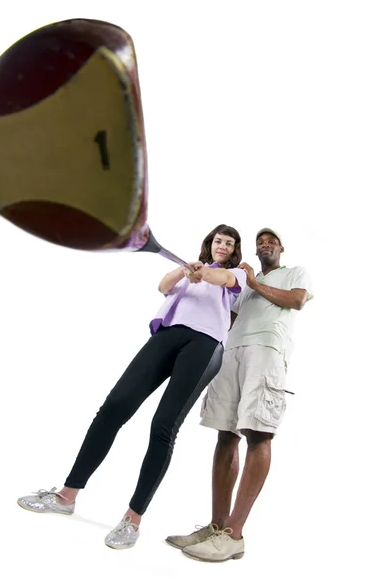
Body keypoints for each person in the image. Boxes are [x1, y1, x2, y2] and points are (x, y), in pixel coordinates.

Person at [17, 224, 247, 550]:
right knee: (114, 406)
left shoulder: (237, 274)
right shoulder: (189, 270)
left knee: (163, 425)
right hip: (169, 335)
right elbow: (163, 285)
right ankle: (67, 495)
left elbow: (224, 279)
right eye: (218, 241)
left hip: (205, 344)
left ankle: (132, 519)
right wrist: (187, 271)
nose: (222, 246)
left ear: (234, 250)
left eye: (229, 243)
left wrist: (206, 275)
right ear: (209, 245)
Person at [166, 227, 313, 562]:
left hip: (267, 350)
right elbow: (226, 317)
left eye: (271, 241)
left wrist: (254, 281)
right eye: (260, 242)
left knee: (258, 434)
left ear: (280, 248)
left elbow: (297, 301)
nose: (265, 245)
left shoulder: (294, 273)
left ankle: (234, 534)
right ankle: (217, 526)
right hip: (232, 352)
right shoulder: (245, 282)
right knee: (225, 435)